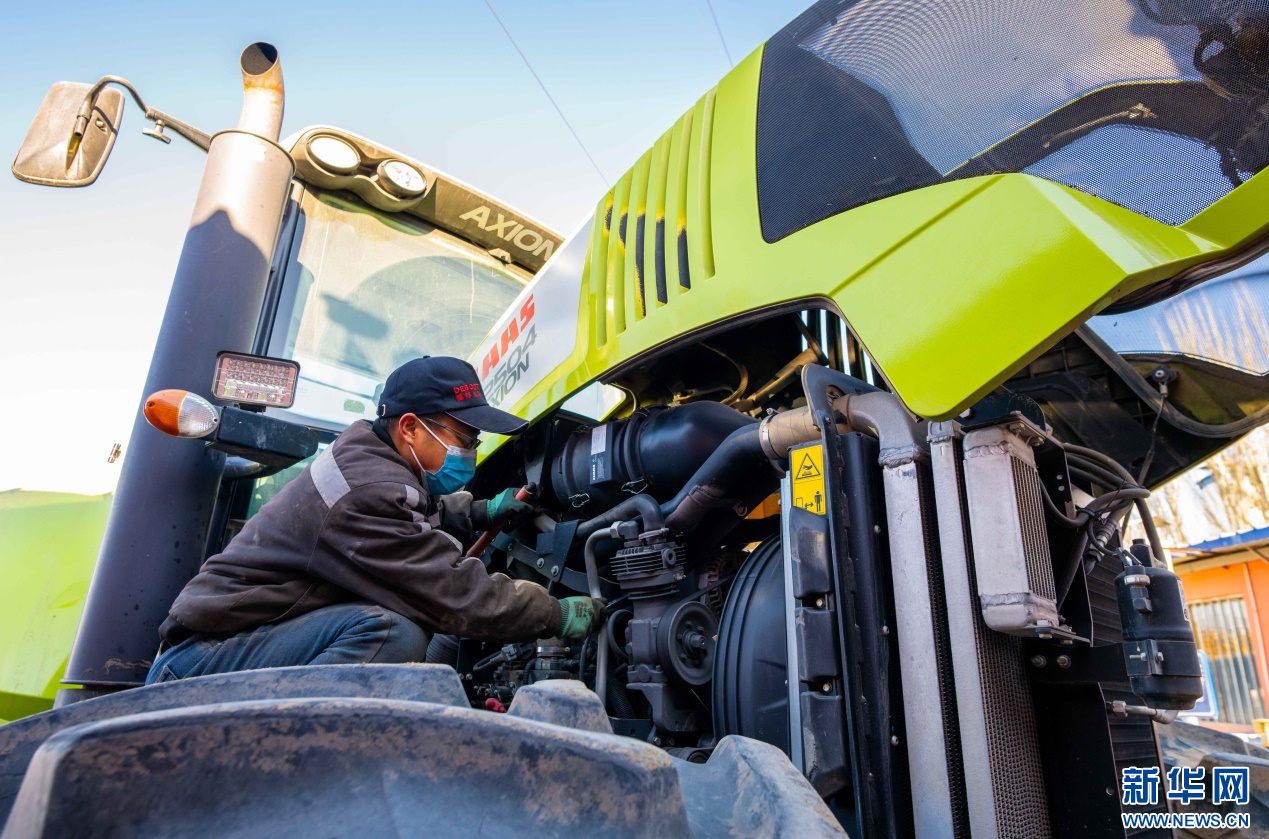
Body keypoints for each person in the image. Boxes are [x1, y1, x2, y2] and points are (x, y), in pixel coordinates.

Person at [145, 356, 604, 684]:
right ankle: (299, 766)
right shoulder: (366, 490)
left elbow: (414, 513)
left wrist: (482, 510)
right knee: (391, 631)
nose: (470, 452)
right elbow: (456, 593)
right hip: (198, 666)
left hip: (231, 648)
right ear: (410, 427)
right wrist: (555, 613)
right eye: (464, 439)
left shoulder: (373, 461)